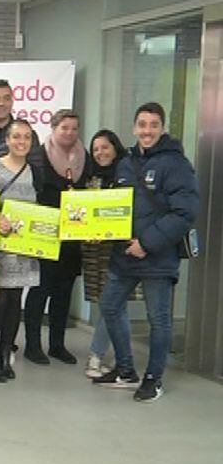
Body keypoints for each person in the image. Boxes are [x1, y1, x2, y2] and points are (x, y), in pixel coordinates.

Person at [94, 102, 199, 402]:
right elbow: (117, 205)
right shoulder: (126, 163)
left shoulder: (176, 164)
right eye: (142, 124)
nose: (147, 130)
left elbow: (185, 212)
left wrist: (147, 243)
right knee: (110, 306)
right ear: (134, 128)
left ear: (162, 128)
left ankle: (153, 378)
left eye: (153, 125)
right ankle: (126, 369)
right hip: (124, 253)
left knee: (159, 320)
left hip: (158, 257)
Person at [22, 109, 90, 366]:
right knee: (40, 291)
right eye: (65, 128)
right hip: (45, 233)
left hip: (72, 236)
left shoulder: (85, 157)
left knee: (64, 292)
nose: (70, 133)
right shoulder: (37, 155)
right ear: (53, 128)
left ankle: (58, 345)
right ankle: (32, 345)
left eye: (74, 128)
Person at [0, 119, 42, 382]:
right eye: (16, 137)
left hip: (24, 250)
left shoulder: (37, 172)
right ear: (6, 140)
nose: (21, 142)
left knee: (14, 303)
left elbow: (43, 210)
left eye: (27, 138)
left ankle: (5, 351)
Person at [81, 129, 138, 378]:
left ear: (116, 147)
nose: (100, 153)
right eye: (95, 149)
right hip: (96, 251)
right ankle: (115, 359)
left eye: (105, 147)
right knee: (110, 304)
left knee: (113, 303)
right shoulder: (91, 178)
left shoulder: (128, 174)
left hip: (122, 249)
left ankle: (98, 356)